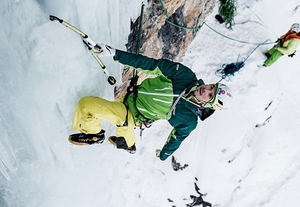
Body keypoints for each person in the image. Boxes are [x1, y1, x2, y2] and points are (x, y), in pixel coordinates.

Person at [68, 45, 233, 161]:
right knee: (121, 125)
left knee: (86, 105)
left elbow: (175, 139)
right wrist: (114, 54)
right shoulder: (185, 76)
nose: (206, 90)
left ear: (208, 104)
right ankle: (128, 144)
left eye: (210, 95)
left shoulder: (188, 120)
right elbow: (152, 65)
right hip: (128, 97)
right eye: (211, 86)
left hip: (135, 115)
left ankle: (95, 134)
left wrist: (163, 155)